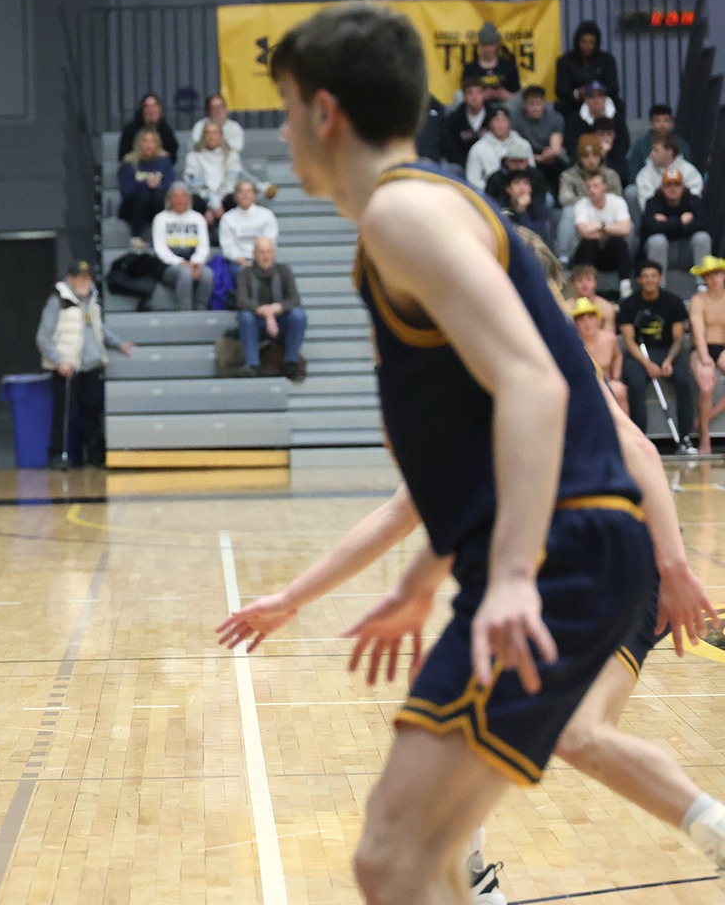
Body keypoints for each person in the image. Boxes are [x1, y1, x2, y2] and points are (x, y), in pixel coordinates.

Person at [267, 3, 657, 902]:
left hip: (564, 550)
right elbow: (471, 447)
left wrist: (514, 574)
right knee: (403, 854)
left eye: (286, 110)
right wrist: (420, 581)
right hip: (562, 547)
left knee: (399, 854)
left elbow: (535, 384)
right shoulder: (416, 214)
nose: (283, 133)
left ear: (326, 113)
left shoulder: (404, 216)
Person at [218, 231, 722, 897]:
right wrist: (295, 598)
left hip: (606, 564)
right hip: (553, 569)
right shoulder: (471, 368)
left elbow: (642, 452)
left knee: (571, 733)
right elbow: (404, 512)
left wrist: (677, 567)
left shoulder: (544, 358)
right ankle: (477, 876)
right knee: (474, 722)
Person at [36, 261, 132, 469]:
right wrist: (59, 362)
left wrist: (119, 343)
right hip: (67, 368)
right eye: (79, 277)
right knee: (65, 415)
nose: (84, 281)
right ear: (70, 279)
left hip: (91, 365)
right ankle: (58, 455)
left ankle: (96, 456)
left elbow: (99, 327)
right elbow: (43, 337)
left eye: (87, 277)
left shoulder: (92, 299)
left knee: (93, 412)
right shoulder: (58, 300)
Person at [617, 260, 697, 449]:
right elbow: (629, 341)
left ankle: (685, 437)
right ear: (639, 280)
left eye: (653, 276)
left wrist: (669, 360)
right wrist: (647, 364)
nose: (650, 280)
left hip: (668, 351)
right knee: (635, 383)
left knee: (685, 381)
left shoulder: (673, 302)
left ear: (660, 278)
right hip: (639, 354)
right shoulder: (628, 304)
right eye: (645, 276)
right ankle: (640, 438)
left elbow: (678, 338)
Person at [233, 236, 307, 380]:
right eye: (261, 252)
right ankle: (252, 364)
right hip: (257, 324)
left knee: (299, 315)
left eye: (268, 251)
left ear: (274, 253)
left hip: (281, 324)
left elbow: (295, 299)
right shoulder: (245, 273)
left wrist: (275, 309)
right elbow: (241, 301)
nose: (265, 256)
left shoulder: (284, 271)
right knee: (245, 316)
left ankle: (291, 362)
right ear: (254, 254)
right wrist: (264, 312)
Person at [151, 184, 212, 310]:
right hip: (168, 266)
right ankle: (185, 311)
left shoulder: (198, 218)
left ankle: (202, 310)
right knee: (185, 273)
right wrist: (181, 263)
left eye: (183, 196)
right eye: (175, 196)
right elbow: (160, 250)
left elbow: (204, 247)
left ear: (189, 199)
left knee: (207, 274)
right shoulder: (160, 219)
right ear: (169, 199)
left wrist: (196, 263)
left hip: (194, 263)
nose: (180, 200)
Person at [688, 256, 725, 454]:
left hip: (722, 347)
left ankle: (707, 416)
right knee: (706, 382)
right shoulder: (698, 300)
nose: (714, 278)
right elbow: (698, 330)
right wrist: (704, 357)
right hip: (701, 347)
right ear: (704, 278)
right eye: (709, 275)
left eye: (717, 273)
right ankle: (705, 436)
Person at [639, 171, 710, 270]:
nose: (672, 188)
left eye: (676, 184)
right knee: (657, 240)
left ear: (683, 187)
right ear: (662, 187)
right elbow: (649, 228)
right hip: (660, 248)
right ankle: (658, 279)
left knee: (702, 237)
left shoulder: (693, 200)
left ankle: (702, 278)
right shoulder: (653, 202)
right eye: (668, 185)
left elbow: (704, 224)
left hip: (687, 246)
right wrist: (680, 222)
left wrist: (666, 223)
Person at [569, 174, 633, 276]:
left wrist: (600, 226)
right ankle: (587, 279)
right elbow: (584, 232)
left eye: (596, 186)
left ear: (605, 187)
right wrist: (612, 230)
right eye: (588, 187)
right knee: (589, 243)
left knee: (619, 242)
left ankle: (625, 282)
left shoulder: (618, 202)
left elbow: (625, 230)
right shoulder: (581, 205)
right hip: (590, 252)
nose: (592, 190)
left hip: (612, 251)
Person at [180, 119, 243, 220]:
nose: (211, 136)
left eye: (215, 132)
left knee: (234, 199)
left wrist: (218, 204)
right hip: (203, 200)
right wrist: (212, 204)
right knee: (195, 200)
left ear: (221, 135)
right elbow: (195, 183)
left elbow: (231, 181)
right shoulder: (193, 156)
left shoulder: (232, 155)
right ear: (203, 136)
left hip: (225, 199)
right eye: (207, 132)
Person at [573, 296, 627, 412]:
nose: (587, 323)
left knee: (619, 389)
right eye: (581, 319)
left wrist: (616, 376)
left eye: (590, 317)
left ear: (598, 320)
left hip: (606, 383)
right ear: (576, 325)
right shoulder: (573, 344)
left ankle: (624, 424)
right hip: (583, 387)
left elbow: (618, 356)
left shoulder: (610, 339)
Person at [116, 126, 177, 229]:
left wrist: (157, 185)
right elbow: (126, 191)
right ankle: (136, 235)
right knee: (144, 196)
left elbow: (170, 186)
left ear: (157, 144)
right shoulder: (129, 163)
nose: (148, 145)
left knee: (158, 196)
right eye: (145, 141)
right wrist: (145, 184)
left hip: (157, 203)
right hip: (133, 206)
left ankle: (161, 233)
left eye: (152, 141)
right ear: (139, 143)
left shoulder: (164, 162)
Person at [556, 19, 620, 115]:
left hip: (601, 100)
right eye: (583, 42)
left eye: (591, 42)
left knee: (618, 104)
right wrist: (577, 93)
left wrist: (596, 93)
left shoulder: (607, 60)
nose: (587, 46)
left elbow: (613, 87)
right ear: (577, 42)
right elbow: (561, 88)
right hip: (575, 102)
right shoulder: (565, 61)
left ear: (597, 43)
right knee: (561, 105)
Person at [564, 81, 630, 170]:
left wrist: (608, 152)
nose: (596, 100)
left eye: (600, 96)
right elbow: (572, 145)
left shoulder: (617, 117)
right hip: (583, 162)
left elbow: (623, 142)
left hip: (614, 160)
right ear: (585, 99)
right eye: (592, 96)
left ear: (605, 98)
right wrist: (595, 151)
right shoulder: (575, 119)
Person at [511, 86, 568, 189]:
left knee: (561, 161)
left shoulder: (555, 117)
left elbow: (555, 147)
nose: (535, 108)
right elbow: (517, 148)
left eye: (538, 104)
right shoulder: (516, 119)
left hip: (548, 156)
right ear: (524, 104)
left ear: (544, 103)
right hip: (527, 157)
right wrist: (538, 158)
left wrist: (549, 154)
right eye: (531, 104)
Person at [624, 104, 691, 184]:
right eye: (658, 121)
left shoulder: (683, 145)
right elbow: (633, 175)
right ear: (651, 123)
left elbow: (688, 172)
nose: (662, 125)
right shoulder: (640, 146)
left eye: (666, 120)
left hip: (677, 186)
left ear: (671, 123)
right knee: (631, 190)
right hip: (647, 186)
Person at [216, 181, 276, 266]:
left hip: (262, 260)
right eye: (241, 191)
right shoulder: (227, 218)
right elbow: (228, 247)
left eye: (249, 191)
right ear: (235, 196)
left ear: (254, 195)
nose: (245, 195)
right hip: (236, 262)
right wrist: (240, 260)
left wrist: (259, 258)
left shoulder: (266, 215)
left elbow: (270, 241)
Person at [631, 135, 705, 204]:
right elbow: (645, 202)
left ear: (669, 152)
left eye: (656, 150)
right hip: (656, 212)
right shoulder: (645, 173)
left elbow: (694, 198)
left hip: (684, 212)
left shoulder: (689, 171)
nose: (651, 154)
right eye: (652, 150)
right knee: (631, 192)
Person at [463, 106, 524, 189]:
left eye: (504, 120)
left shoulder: (522, 144)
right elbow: (473, 179)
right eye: (497, 121)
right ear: (490, 123)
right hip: (488, 193)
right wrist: (492, 191)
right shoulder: (478, 148)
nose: (501, 125)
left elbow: (531, 172)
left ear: (510, 123)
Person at [459, 21, 520, 104]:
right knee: (458, 95)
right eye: (484, 45)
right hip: (478, 106)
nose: (488, 48)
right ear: (479, 45)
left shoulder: (508, 66)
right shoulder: (470, 68)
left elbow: (517, 93)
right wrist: (481, 96)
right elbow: (465, 93)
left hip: (505, 106)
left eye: (491, 45)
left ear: (497, 45)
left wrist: (508, 96)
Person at [439, 77, 489, 167]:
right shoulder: (454, 119)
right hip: (462, 165)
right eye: (470, 93)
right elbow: (451, 148)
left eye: (478, 92)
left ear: (484, 95)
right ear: (464, 96)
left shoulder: (493, 116)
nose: (475, 97)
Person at [115, 92, 179, 161]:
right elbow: (123, 157)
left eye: (155, 105)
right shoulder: (130, 130)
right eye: (147, 106)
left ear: (160, 109)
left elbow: (172, 156)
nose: (151, 109)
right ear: (142, 110)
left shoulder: (166, 130)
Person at [498, 170, 549, 240]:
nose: (522, 188)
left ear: (531, 189)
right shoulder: (500, 207)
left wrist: (521, 211)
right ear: (508, 189)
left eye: (526, 183)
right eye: (517, 183)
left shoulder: (539, 208)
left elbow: (534, 237)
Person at [568, 264, 617, 331]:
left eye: (589, 279)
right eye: (579, 280)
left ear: (595, 282)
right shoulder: (566, 308)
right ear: (573, 284)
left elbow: (609, 335)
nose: (584, 284)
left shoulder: (606, 308)